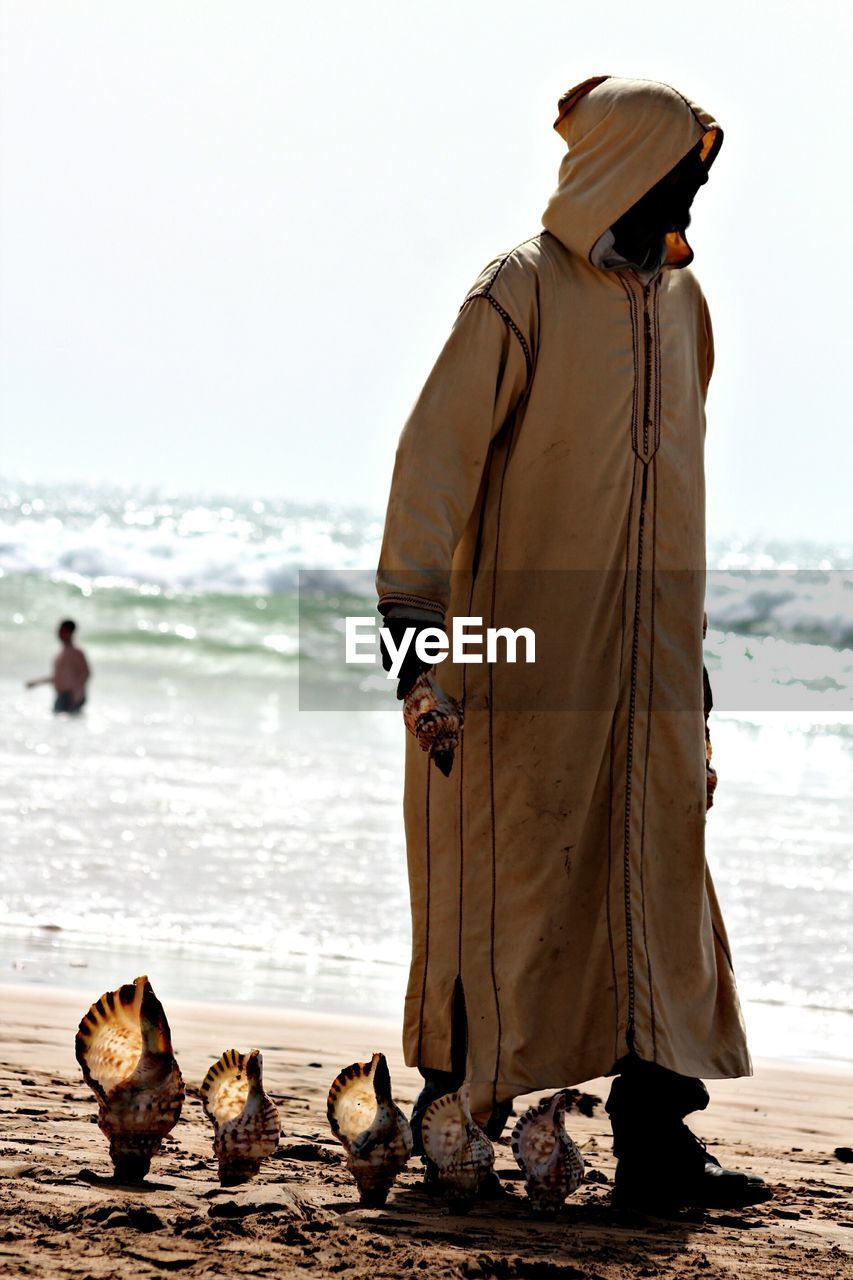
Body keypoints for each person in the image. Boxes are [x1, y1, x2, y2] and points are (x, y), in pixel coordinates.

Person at [375, 76, 771, 1211]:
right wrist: (412, 623)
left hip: (647, 662)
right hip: (519, 658)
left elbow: (668, 489)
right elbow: (433, 461)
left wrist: (683, 654)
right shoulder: (518, 292)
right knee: (510, 879)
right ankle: (455, 1110)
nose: (693, 193)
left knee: (657, 881)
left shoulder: (684, 308)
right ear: (621, 172)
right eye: (679, 173)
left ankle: (657, 1142)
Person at [26, 618, 91, 713]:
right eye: (59, 630)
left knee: (65, 724)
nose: (59, 633)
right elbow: (57, 677)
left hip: (71, 696)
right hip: (62, 696)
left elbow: (85, 673)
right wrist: (36, 683)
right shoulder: (61, 653)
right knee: (59, 724)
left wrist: (78, 692)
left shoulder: (76, 652)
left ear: (70, 632)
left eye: (62, 630)